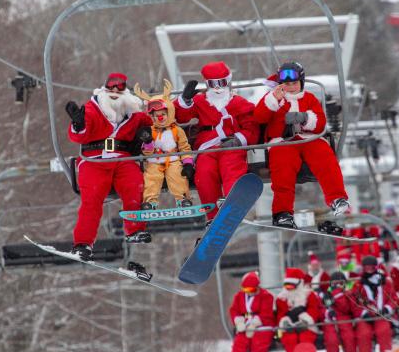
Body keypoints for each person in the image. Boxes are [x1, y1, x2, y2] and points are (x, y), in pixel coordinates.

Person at [65, 72, 153, 260]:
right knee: (92, 200)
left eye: (119, 87)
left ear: (125, 91)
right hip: (95, 159)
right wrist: (78, 124)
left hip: (123, 159)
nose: (114, 90)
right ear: (104, 88)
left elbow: (156, 121)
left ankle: (134, 229)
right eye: (111, 86)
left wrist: (147, 132)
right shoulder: (92, 109)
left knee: (134, 187)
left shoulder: (134, 114)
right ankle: (83, 243)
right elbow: (77, 136)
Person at [253, 61, 350, 229]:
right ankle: (282, 212)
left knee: (325, 158)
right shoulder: (273, 100)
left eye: (294, 83)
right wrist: (273, 100)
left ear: (301, 83)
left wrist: (306, 118)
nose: (291, 87)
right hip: (283, 142)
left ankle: (337, 198)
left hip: (308, 139)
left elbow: (320, 124)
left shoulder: (310, 99)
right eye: (287, 84)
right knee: (283, 170)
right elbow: (259, 117)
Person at [174, 61, 259, 221]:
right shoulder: (199, 101)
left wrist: (238, 140)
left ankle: (232, 202)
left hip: (231, 145)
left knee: (232, 167)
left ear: (228, 82)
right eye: (213, 84)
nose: (218, 88)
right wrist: (184, 101)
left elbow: (252, 128)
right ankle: (212, 215)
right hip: (208, 147)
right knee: (204, 174)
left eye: (222, 83)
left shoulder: (239, 103)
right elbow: (180, 117)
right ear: (207, 84)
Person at [133, 79, 195, 209]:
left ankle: (183, 199)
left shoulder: (176, 130)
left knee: (177, 175)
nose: (160, 118)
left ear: (169, 113)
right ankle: (150, 202)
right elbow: (146, 152)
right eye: (156, 116)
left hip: (173, 159)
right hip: (154, 160)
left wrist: (188, 163)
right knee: (151, 178)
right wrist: (148, 142)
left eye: (163, 114)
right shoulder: (150, 131)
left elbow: (184, 148)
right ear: (152, 117)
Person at [350, 255, 396, 352]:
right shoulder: (358, 284)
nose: (369, 269)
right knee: (363, 334)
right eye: (367, 267)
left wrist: (387, 308)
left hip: (381, 315)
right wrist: (363, 313)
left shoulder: (385, 281)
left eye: (372, 267)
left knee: (384, 331)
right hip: (365, 316)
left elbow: (393, 298)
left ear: (376, 267)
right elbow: (355, 302)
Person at [224, 272, 276, 352]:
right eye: (246, 290)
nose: (248, 292)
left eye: (251, 290)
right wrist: (238, 322)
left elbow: (266, 313)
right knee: (240, 341)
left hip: (262, 326)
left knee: (259, 345)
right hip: (245, 325)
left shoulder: (266, 296)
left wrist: (254, 324)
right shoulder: (239, 297)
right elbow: (234, 310)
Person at [320, 271, 362, 352]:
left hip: (344, 318)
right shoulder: (325, 295)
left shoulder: (348, 293)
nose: (337, 285)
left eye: (340, 283)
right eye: (335, 283)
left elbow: (346, 308)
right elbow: (321, 308)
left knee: (349, 338)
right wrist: (327, 312)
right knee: (331, 340)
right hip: (331, 320)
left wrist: (337, 294)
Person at [276, 267, 321, 352]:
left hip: (306, 326)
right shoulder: (282, 299)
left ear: (300, 284)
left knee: (306, 339)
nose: (289, 289)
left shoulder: (309, 295)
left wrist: (306, 321)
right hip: (289, 327)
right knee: (289, 340)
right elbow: (280, 314)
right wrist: (284, 322)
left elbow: (314, 310)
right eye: (286, 287)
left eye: (291, 287)